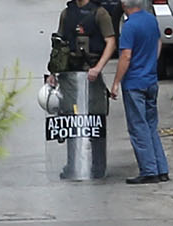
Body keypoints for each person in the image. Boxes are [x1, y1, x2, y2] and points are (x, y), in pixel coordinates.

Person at [51, 0, 116, 179]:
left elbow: (110, 42)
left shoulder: (100, 13)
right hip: (70, 74)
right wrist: (53, 72)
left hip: (91, 74)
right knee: (71, 121)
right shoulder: (66, 13)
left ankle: (98, 166)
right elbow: (59, 44)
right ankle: (73, 164)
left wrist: (98, 68)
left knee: (95, 118)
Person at [115, 0, 168, 184]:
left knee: (138, 127)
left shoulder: (129, 26)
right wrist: (151, 63)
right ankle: (162, 169)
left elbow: (126, 56)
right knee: (151, 125)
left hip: (134, 83)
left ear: (124, 4)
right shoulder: (150, 20)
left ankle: (149, 170)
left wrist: (116, 82)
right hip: (151, 80)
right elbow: (158, 42)